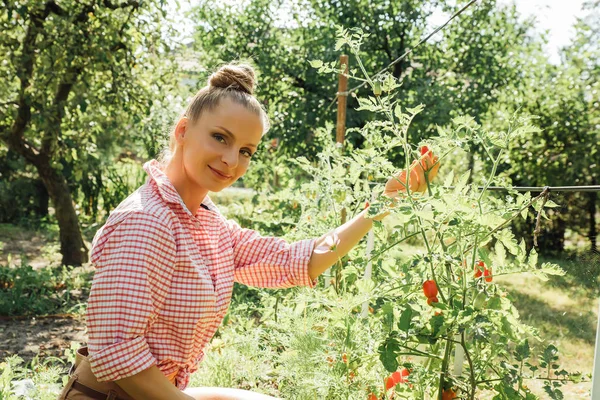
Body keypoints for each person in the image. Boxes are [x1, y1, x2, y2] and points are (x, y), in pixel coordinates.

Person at [57, 63, 439, 400]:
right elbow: (115, 352)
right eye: (220, 138)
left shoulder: (207, 223)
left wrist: (386, 202)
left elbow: (295, 261)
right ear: (183, 130)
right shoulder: (148, 221)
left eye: (246, 150)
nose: (231, 160)